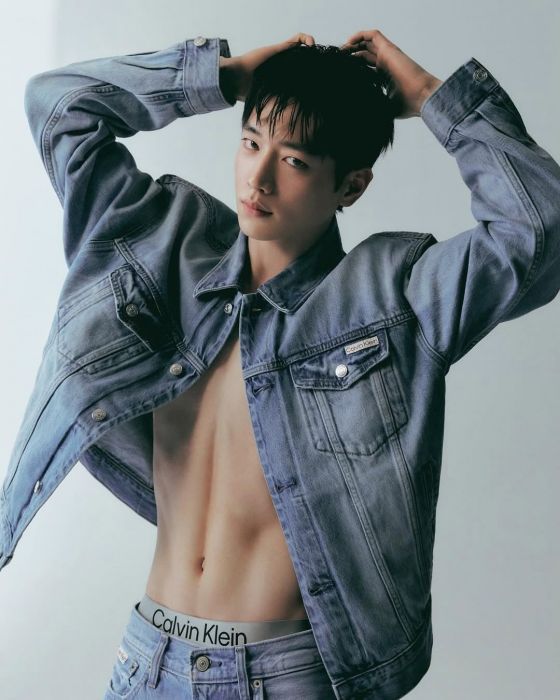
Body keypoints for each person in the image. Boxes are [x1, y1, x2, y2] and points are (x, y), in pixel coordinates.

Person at [2, 26, 559, 699]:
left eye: (293, 161)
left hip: (279, 675)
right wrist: (223, 78)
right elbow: (58, 104)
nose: (258, 178)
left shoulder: (395, 297)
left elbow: (538, 226)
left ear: (351, 185)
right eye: (251, 143)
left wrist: (427, 94)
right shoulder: (163, 250)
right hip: (145, 660)